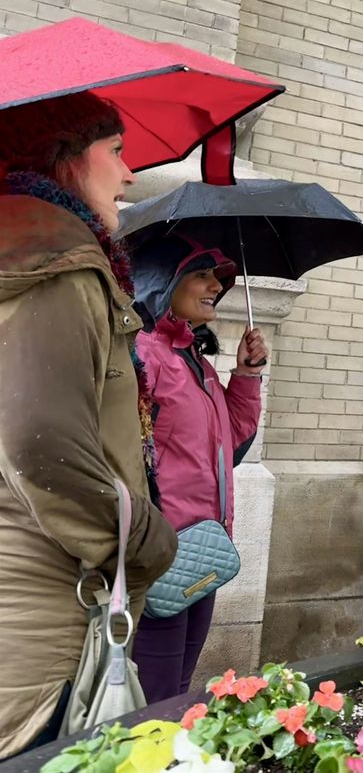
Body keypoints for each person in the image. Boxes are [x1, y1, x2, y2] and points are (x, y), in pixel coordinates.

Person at [0, 91, 177, 758]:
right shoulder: (54, 261)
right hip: (40, 625)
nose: (130, 175)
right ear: (66, 155)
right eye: (119, 151)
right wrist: (146, 543)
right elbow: (39, 445)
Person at [128, 235, 267, 703]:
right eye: (202, 273)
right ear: (166, 281)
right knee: (154, 700)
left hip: (204, 546)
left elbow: (233, 443)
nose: (216, 286)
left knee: (178, 691)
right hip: (162, 550)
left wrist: (245, 376)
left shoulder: (195, 360)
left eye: (218, 276)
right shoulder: (144, 355)